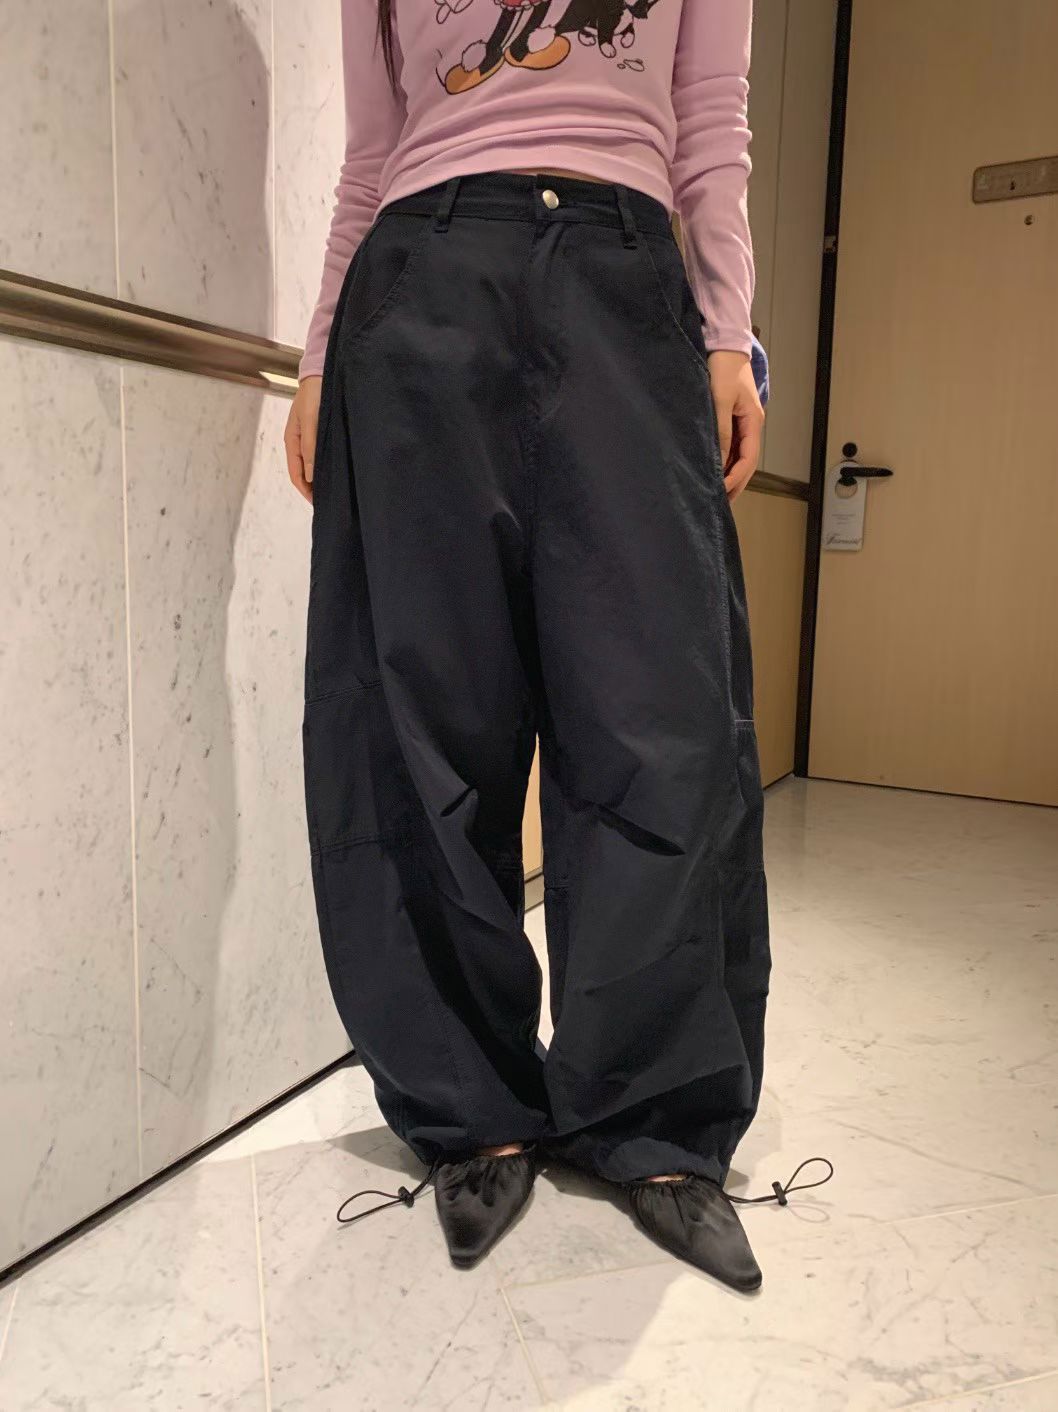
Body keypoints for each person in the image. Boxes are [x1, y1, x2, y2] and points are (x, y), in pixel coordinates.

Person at [284, 0, 773, 1293]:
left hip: (625, 274)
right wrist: (323, 353)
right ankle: (470, 1109)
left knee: (657, 713)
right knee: (420, 709)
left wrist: (728, 331)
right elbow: (372, 149)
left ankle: (656, 1119)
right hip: (419, 279)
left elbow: (710, 118)